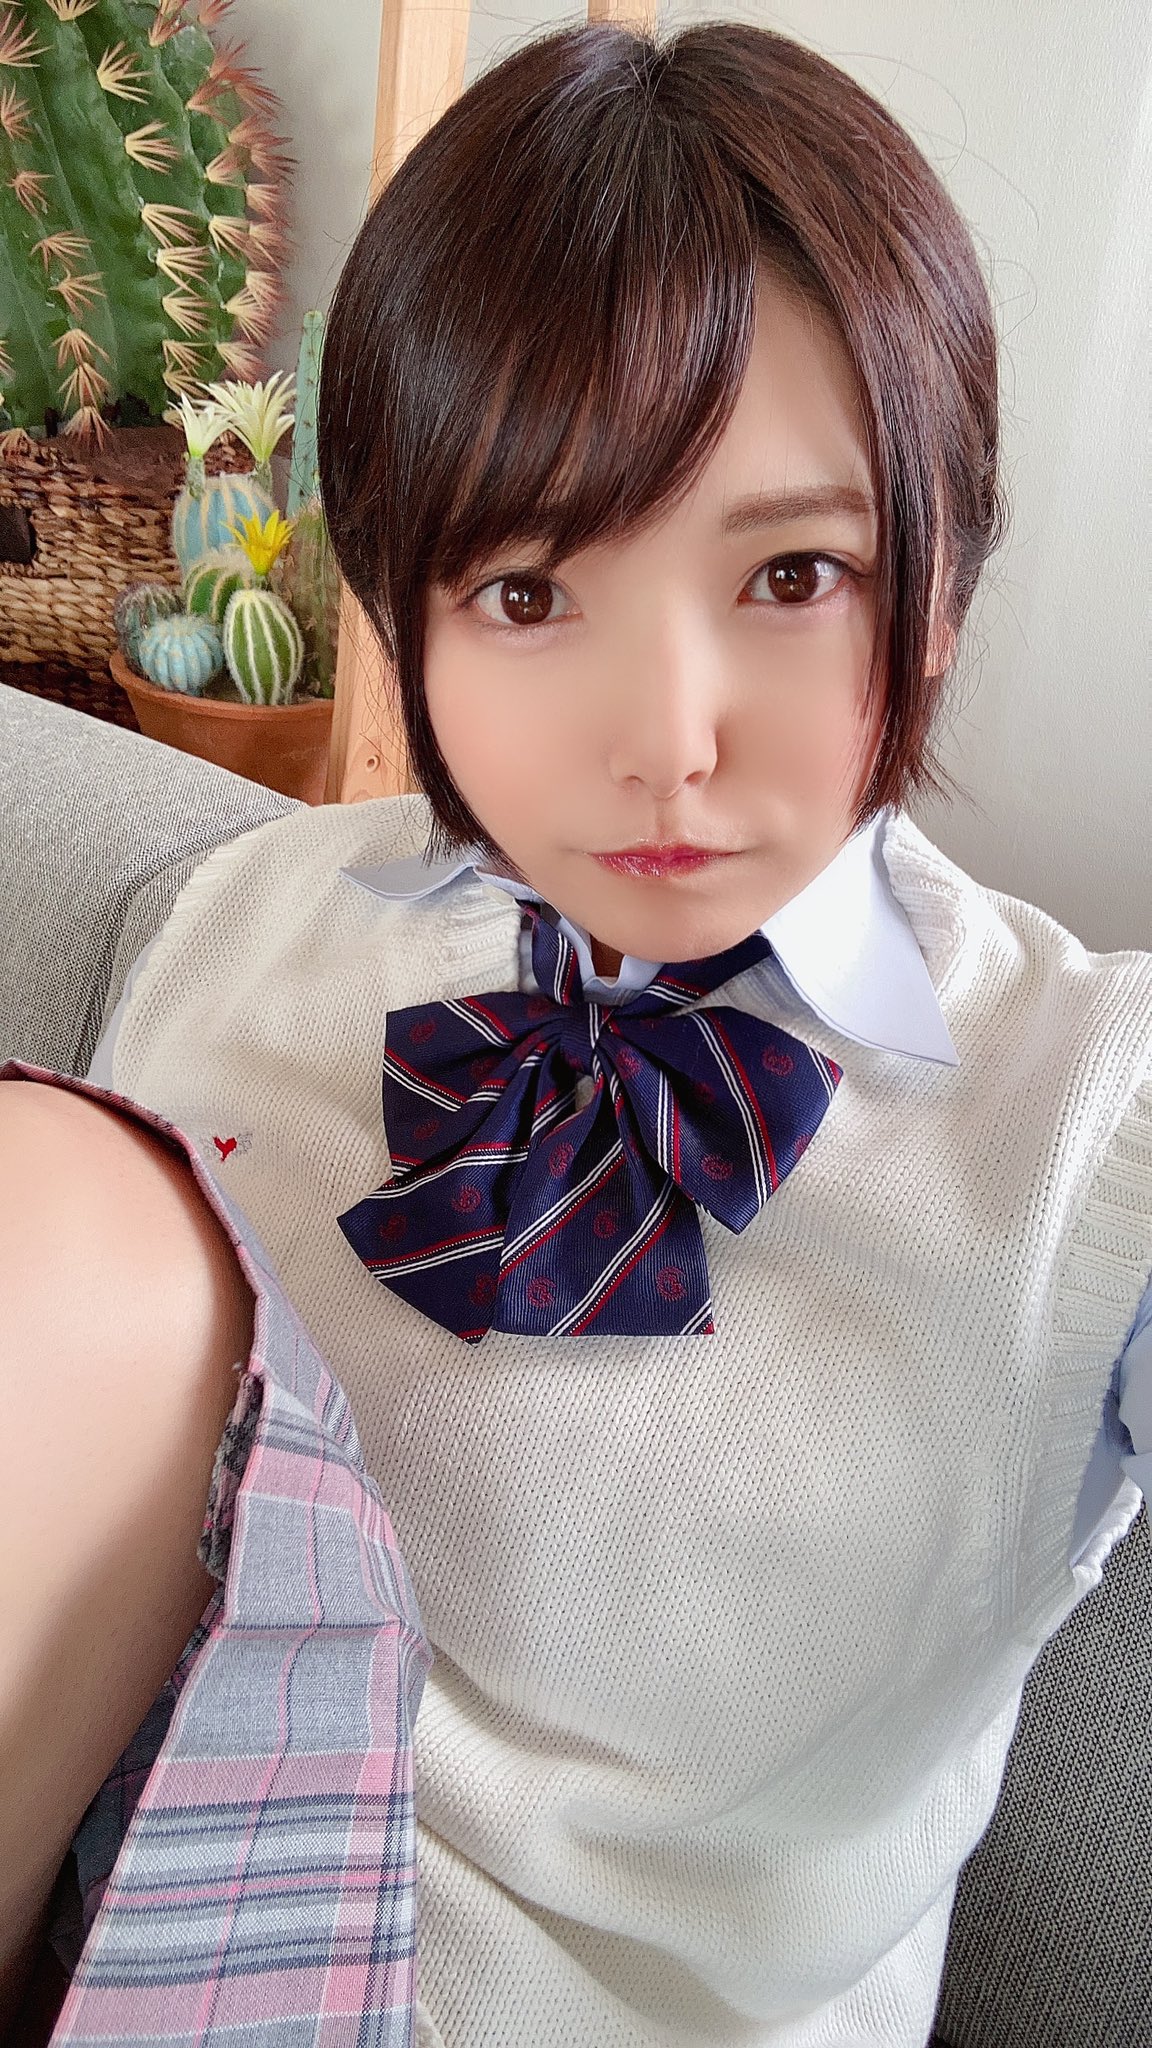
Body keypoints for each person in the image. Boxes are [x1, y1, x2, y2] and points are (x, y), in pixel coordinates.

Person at [2, 20, 1150, 2048]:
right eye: (531, 595)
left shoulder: (1088, 1132)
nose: (668, 737)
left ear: (946, 574)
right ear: (400, 603)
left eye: (793, 573)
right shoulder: (231, 923)